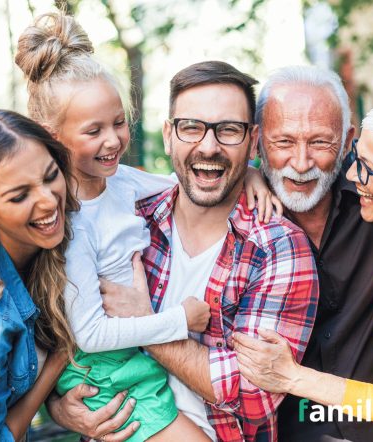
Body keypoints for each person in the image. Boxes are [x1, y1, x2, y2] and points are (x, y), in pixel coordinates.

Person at [15, 14, 275, 442]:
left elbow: (193, 176)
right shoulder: (71, 223)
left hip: (134, 361)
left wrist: (250, 173)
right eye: (93, 131)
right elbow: (90, 333)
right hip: (106, 371)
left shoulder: (121, 182)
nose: (114, 140)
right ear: (52, 136)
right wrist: (178, 320)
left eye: (118, 122)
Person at [97, 61, 319, 441]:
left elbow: (253, 395)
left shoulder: (278, 248)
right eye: (191, 127)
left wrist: (144, 323)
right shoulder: (128, 223)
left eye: (228, 130)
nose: (209, 146)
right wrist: (61, 405)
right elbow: (66, 330)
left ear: (252, 140)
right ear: (169, 135)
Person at [234, 65, 373, 442]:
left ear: (347, 141)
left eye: (321, 143)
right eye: (284, 142)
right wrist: (244, 170)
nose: (302, 162)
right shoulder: (234, 217)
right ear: (258, 141)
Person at [0, 109, 132, 442]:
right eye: (19, 196)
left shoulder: (61, 242)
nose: (48, 202)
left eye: (49, 176)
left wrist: (250, 176)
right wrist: (59, 361)